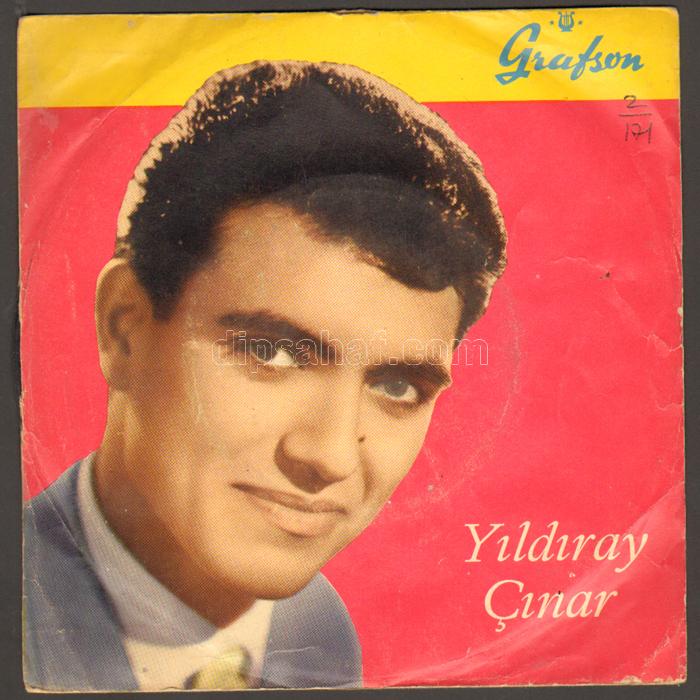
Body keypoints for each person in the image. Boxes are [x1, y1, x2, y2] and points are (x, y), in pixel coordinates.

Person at [23, 60, 507, 690]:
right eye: (272, 352)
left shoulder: (319, 633)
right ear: (125, 329)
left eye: (396, 386)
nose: (330, 456)